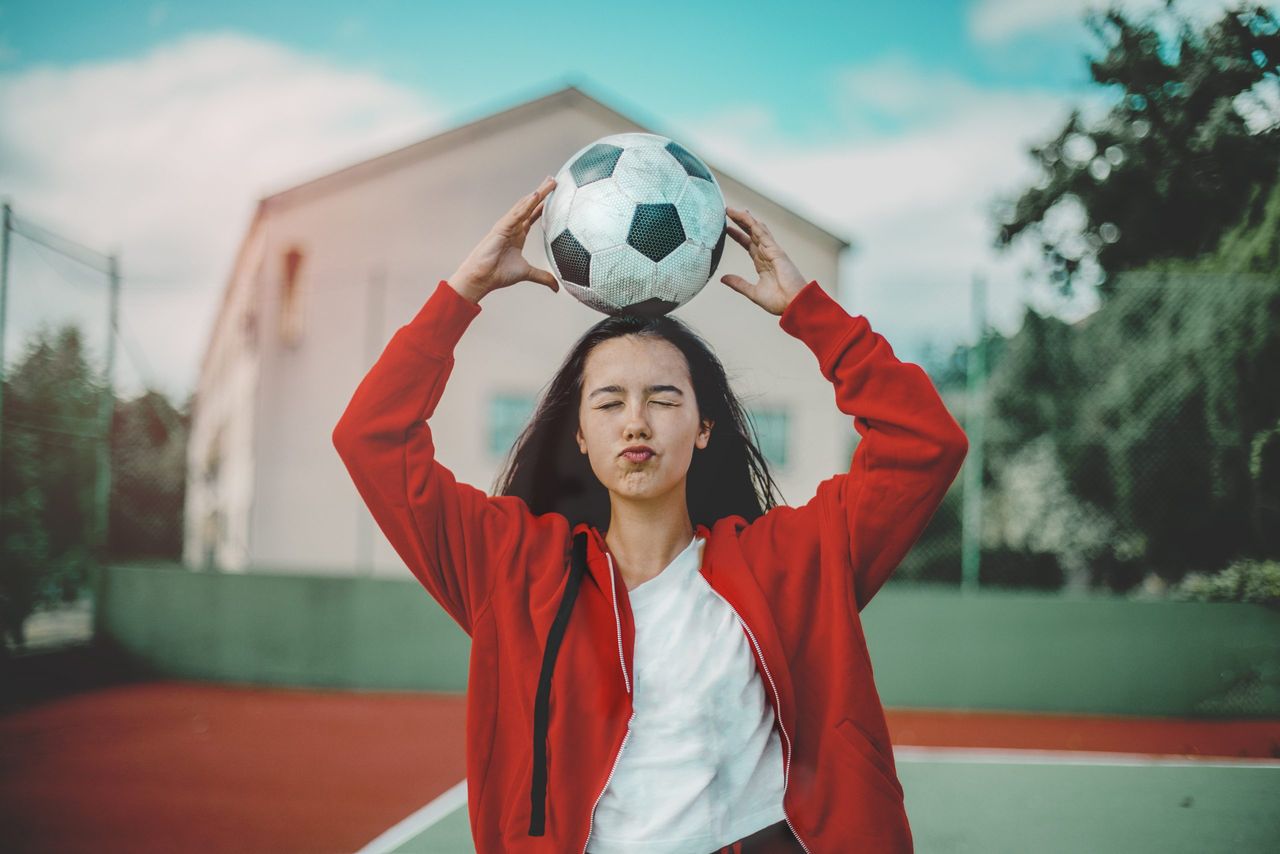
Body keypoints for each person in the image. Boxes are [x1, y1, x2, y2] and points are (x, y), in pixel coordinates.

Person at [332, 175, 969, 853]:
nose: (636, 422)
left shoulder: (794, 559)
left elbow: (924, 444)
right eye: (608, 403)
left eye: (664, 399)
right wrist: (464, 291)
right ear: (579, 434)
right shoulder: (513, 566)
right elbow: (372, 439)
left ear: (702, 427)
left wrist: (810, 313)